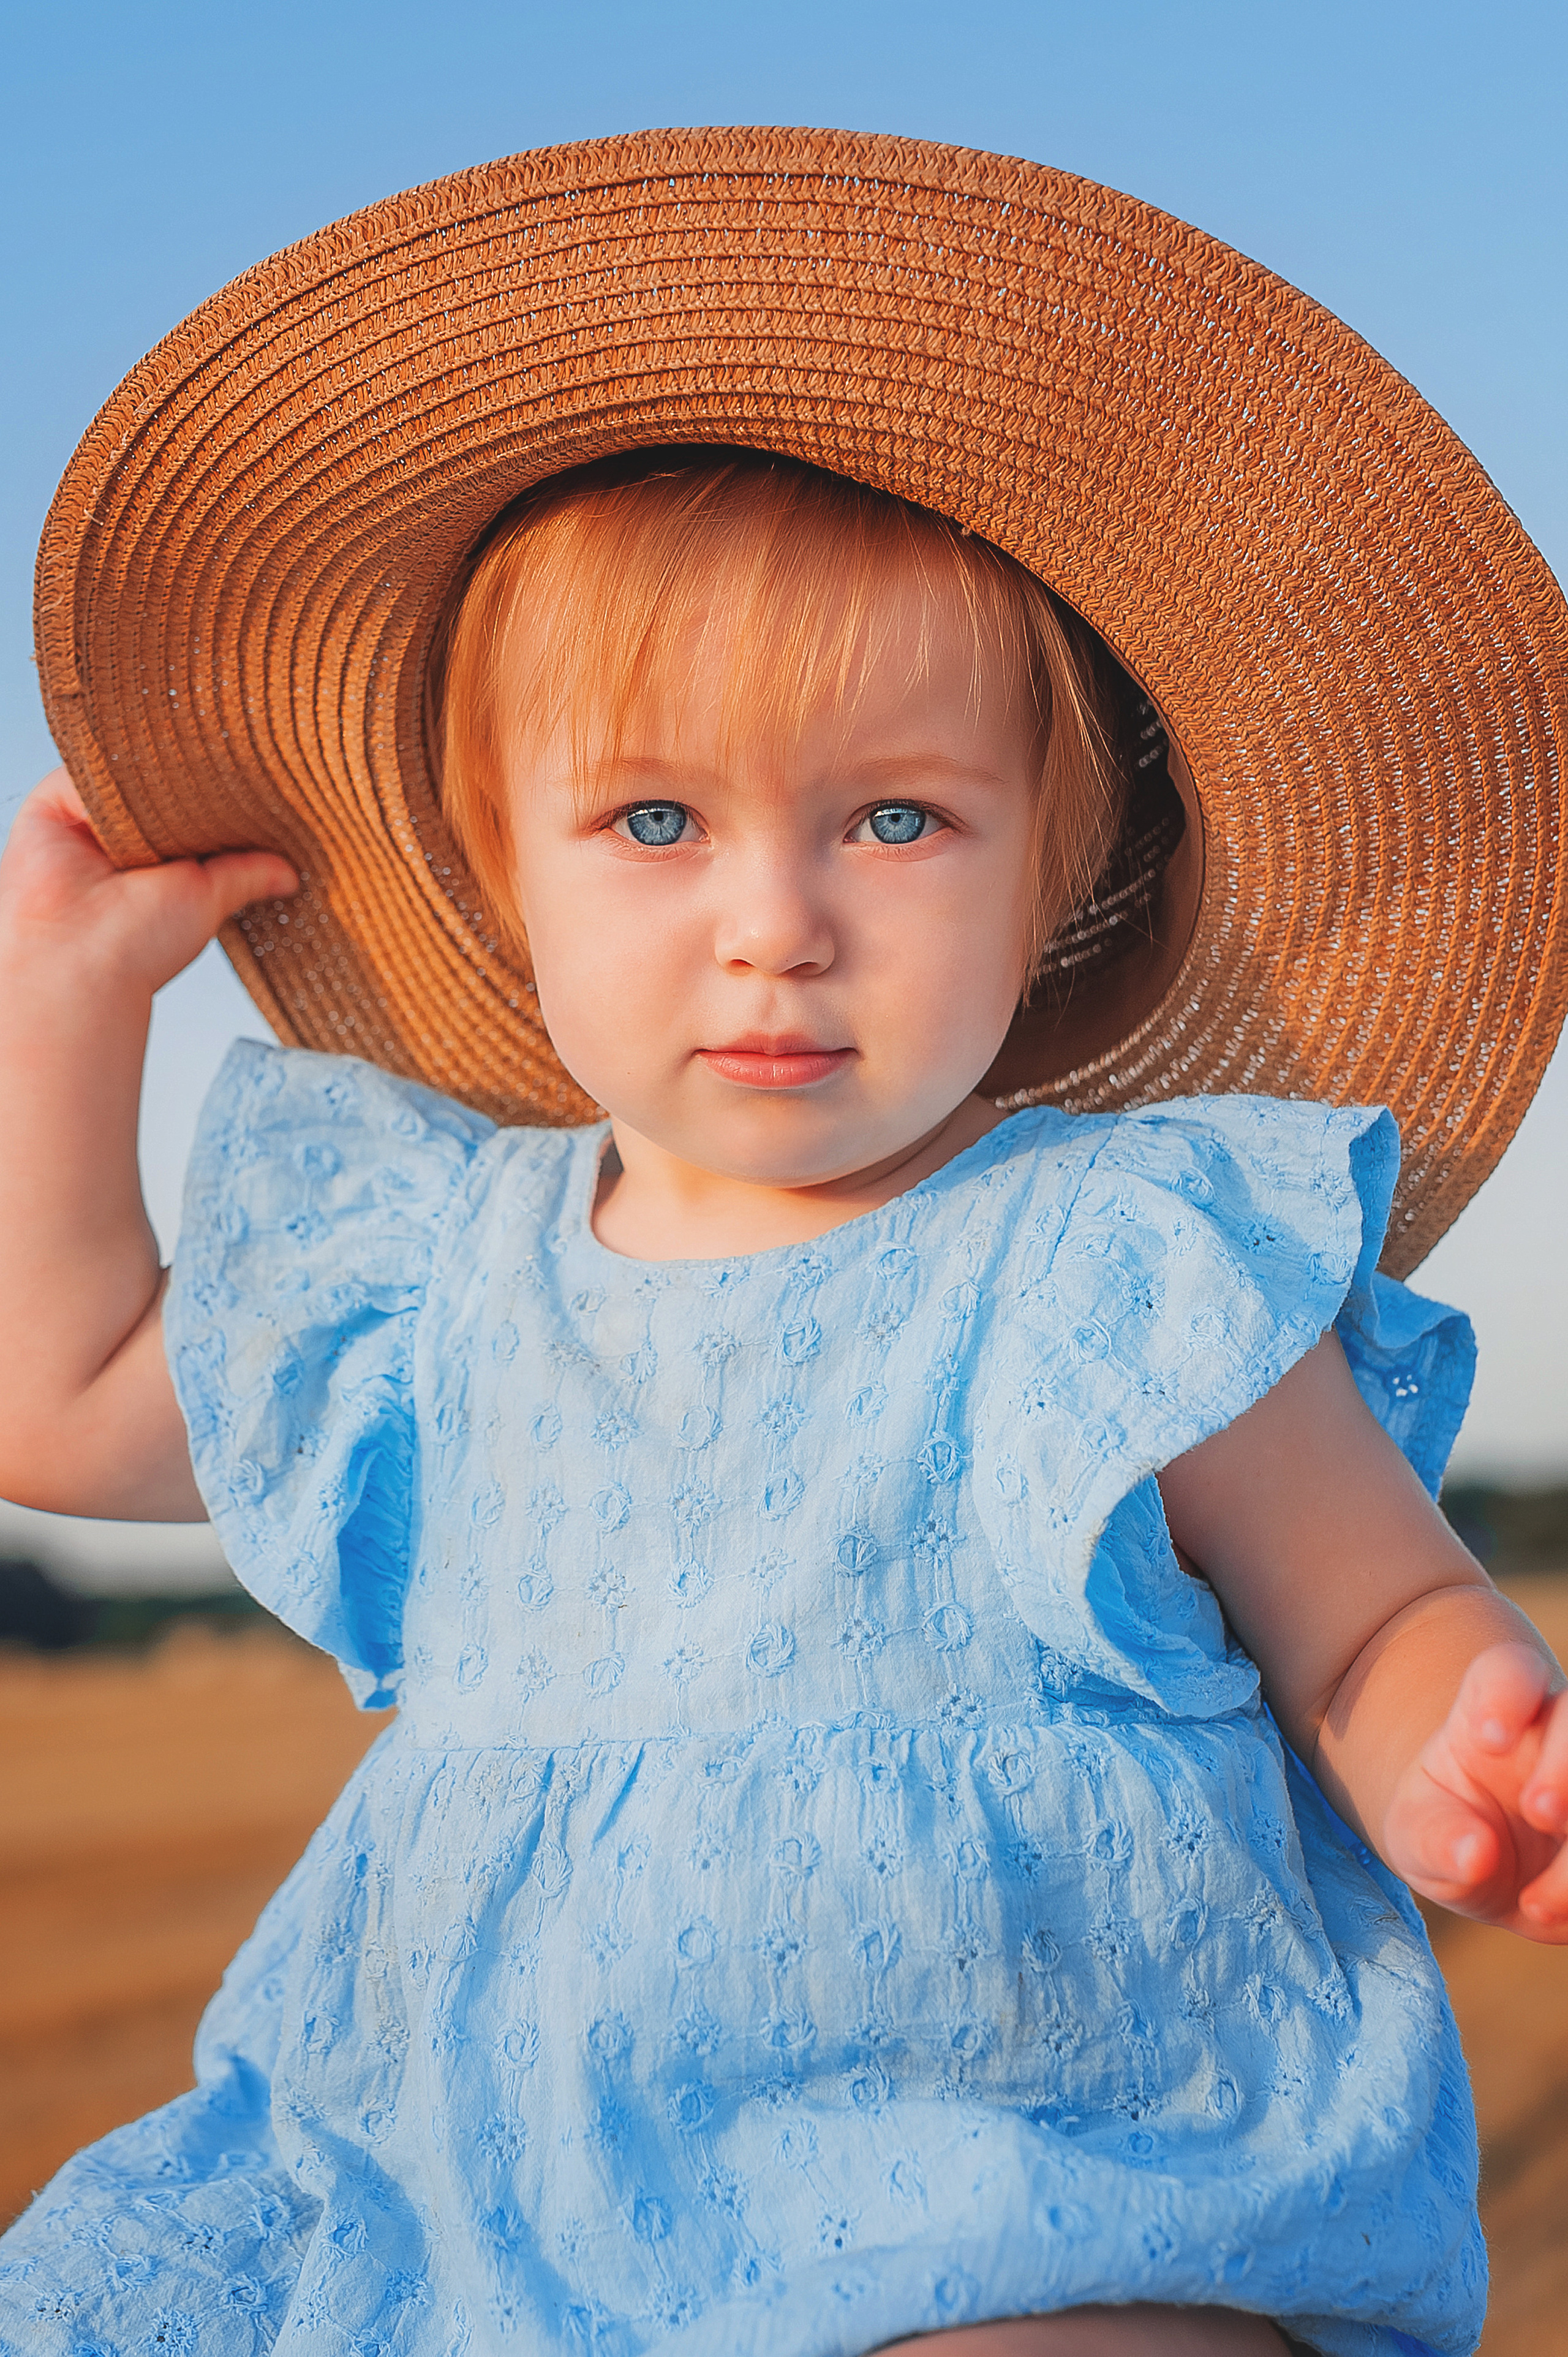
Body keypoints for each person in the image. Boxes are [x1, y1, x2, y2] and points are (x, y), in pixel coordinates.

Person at [1, 129, 1565, 2357]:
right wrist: (55, 1017)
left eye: (898, 819)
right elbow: (50, 1404)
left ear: (1056, 883)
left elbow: (1367, 1612)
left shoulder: (1116, 1264)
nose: (775, 928)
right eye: (654, 821)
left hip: (1031, 2171)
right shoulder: (444, 1277)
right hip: (460, 2199)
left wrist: (1465, 1737)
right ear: (498, 870)